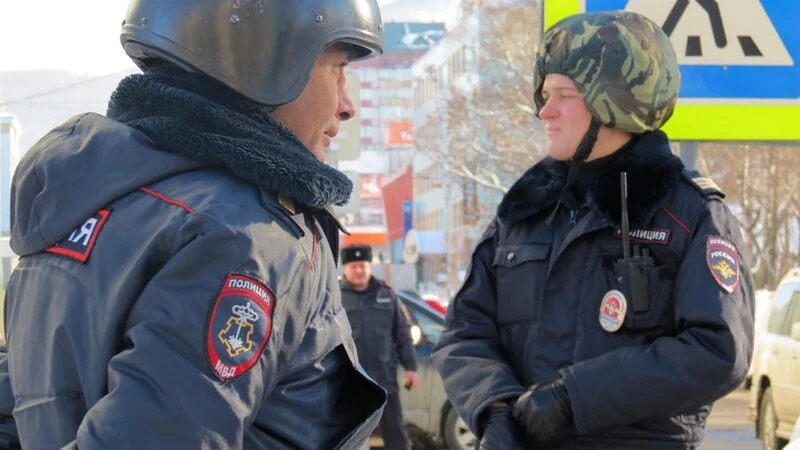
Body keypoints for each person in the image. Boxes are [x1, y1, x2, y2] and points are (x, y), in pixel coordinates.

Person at [0, 0, 388, 448]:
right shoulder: (244, 238)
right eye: (337, 69)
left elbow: (26, 404)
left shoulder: (87, 204)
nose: (347, 105)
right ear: (267, 63)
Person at [432, 11, 754, 450]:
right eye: (544, 94)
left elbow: (717, 351)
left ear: (618, 100)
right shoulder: (525, 209)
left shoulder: (687, 212)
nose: (545, 111)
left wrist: (574, 397)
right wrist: (495, 408)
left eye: (564, 94)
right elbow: (464, 332)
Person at [339, 245, 419, 450]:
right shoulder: (335, 297)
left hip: (384, 381)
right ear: (345, 269)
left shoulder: (387, 295)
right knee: (351, 441)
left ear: (369, 266)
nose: (359, 270)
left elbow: (403, 334)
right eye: (354, 266)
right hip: (349, 383)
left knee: (397, 438)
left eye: (363, 265)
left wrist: (410, 367)